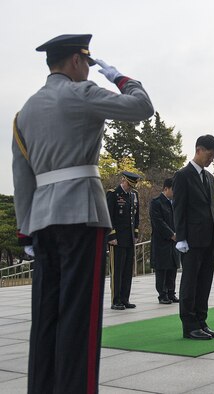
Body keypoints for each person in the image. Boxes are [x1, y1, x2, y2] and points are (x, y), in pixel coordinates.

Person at [12, 34, 153, 393]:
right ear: (76, 61)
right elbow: (141, 107)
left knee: (46, 318)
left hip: (42, 221)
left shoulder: (24, 112)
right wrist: (122, 79)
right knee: (80, 318)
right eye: (88, 64)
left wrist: (26, 231)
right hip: (81, 215)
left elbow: (22, 177)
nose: (90, 71)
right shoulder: (80, 93)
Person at [173, 135, 214, 340]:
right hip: (191, 239)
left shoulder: (209, 177)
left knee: (205, 283)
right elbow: (179, 208)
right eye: (209, 155)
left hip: (209, 238)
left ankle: (202, 321)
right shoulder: (182, 175)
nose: (211, 160)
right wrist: (181, 237)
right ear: (199, 150)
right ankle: (189, 325)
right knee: (190, 283)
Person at [107, 171, 141, 311]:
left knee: (127, 270)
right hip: (117, 239)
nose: (130, 187)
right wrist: (111, 236)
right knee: (117, 271)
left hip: (129, 239)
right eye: (128, 184)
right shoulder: (113, 193)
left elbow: (136, 216)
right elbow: (108, 216)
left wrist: (136, 233)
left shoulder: (134, 195)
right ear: (124, 180)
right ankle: (116, 300)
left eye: (132, 185)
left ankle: (125, 299)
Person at [150, 178, 180, 304]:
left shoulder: (174, 203)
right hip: (162, 241)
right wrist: (170, 234)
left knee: (172, 267)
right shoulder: (156, 202)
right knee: (162, 268)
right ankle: (162, 294)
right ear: (166, 188)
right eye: (173, 189)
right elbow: (158, 222)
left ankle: (171, 293)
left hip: (174, 241)